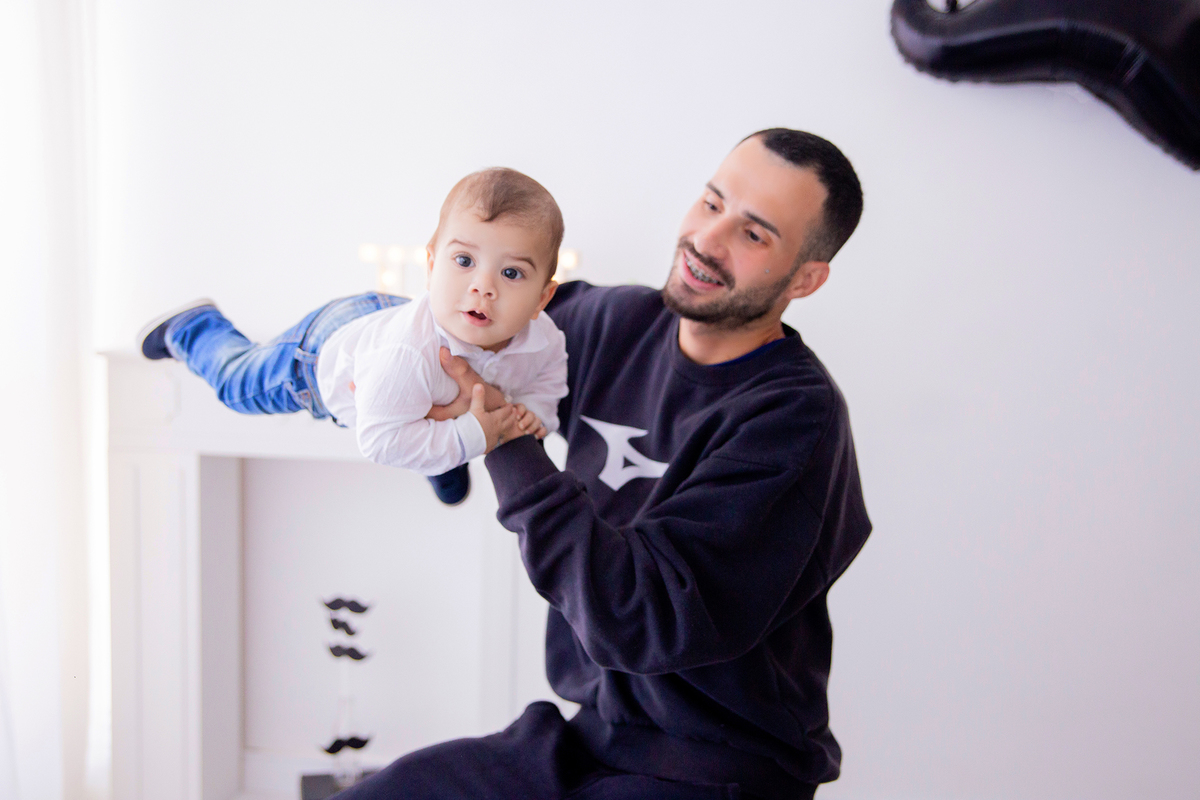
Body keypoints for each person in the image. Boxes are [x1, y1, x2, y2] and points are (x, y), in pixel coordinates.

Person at [334, 128, 872, 800]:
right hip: (589, 736)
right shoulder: (614, 322)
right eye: (711, 203)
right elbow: (480, 323)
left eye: (754, 234)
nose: (709, 239)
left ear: (807, 278)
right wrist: (362, 367)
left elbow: (638, 620)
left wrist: (501, 436)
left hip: (720, 766)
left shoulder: (794, 420)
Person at [137, 168, 568, 505]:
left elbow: (548, 381)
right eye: (463, 260)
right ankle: (193, 327)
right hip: (324, 356)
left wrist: (535, 413)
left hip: (390, 330)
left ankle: (444, 452)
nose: (482, 286)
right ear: (432, 264)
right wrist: (474, 435)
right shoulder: (405, 356)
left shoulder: (544, 339)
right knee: (238, 385)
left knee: (434, 422)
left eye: (511, 272)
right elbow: (380, 441)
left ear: (542, 298)